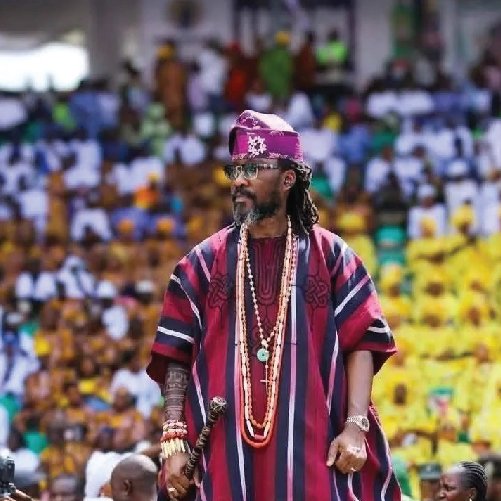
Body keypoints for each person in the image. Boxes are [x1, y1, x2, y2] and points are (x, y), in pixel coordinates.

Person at [147, 110, 401, 500]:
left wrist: (355, 427)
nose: (240, 180)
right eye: (236, 170)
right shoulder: (201, 263)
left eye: (253, 168)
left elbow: (362, 342)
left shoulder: (332, 256)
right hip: (224, 457)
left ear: (287, 179)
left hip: (315, 452)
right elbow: (174, 356)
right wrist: (174, 439)